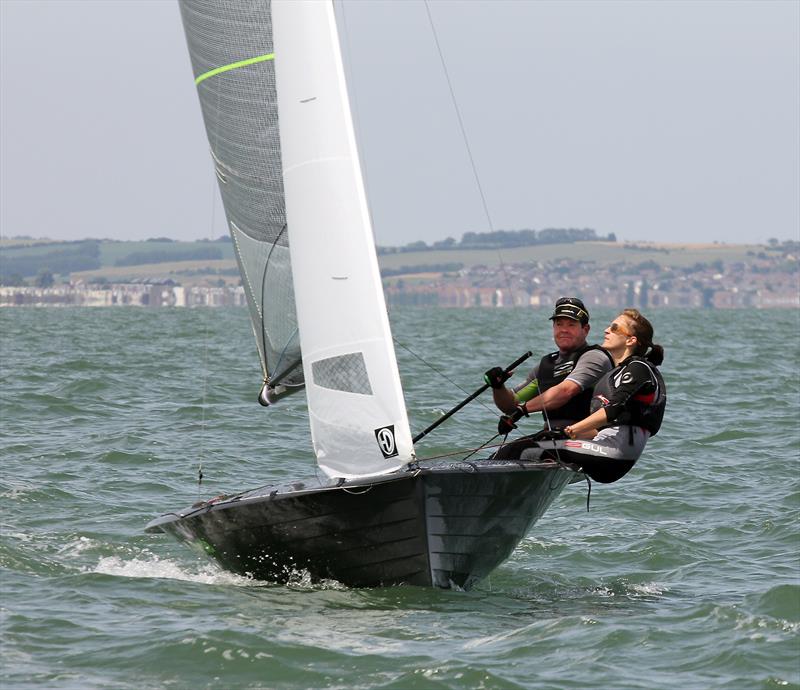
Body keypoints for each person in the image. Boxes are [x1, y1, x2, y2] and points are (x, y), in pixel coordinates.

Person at [555, 308, 666, 483]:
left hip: (613, 455)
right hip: (605, 450)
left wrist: (571, 430)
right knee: (540, 441)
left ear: (631, 340)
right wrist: (561, 434)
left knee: (529, 450)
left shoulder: (639, 368)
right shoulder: (617, 373)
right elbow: (606, 426)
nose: (606, 330)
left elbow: (613, 410)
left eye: (614, 328)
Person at [484, 297, 613, 435]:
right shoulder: (545, 365)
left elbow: (565, 392)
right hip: (552, 437)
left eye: (571, 325)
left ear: (585, 329)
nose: (564, 330)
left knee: (527, 452)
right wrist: (498, 386)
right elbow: (511, 406)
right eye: (559, 324)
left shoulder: (594, 357)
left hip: (590, 439)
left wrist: (523, 410)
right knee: (505, 454)